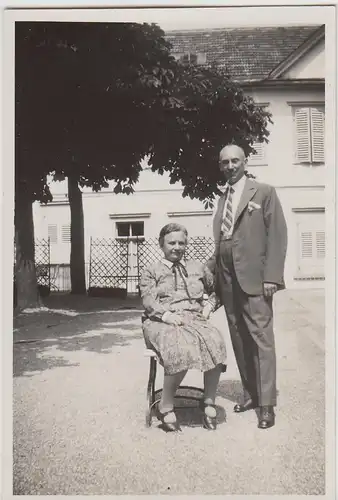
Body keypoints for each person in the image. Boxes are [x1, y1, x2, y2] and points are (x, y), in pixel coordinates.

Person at [209, 143, 288, 430]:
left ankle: (267, 405)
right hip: (228, 275)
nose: (230, 166)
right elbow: (222, 240)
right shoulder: (222, 197)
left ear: (245, 162)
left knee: (261, 339)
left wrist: (272, 277)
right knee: (239, 336)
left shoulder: (263, 191)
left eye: (235, 161)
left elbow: (278, 235)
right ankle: (251, 394)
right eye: (225, 162)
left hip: (255, 276)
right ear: (220, 165)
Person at [140, 223, 227, 433]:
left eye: (181, 242)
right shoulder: (151, 271)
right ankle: (165, 405)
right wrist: (167, 315)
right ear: (161, 244)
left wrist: (209, 306)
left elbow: (218, 290)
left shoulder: (198, 268)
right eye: (171, 243)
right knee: (180, 347)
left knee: (216, 341)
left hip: (195, 319)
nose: (177, 247)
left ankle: (208, 402)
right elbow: (148, 300)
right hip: (161, 321)